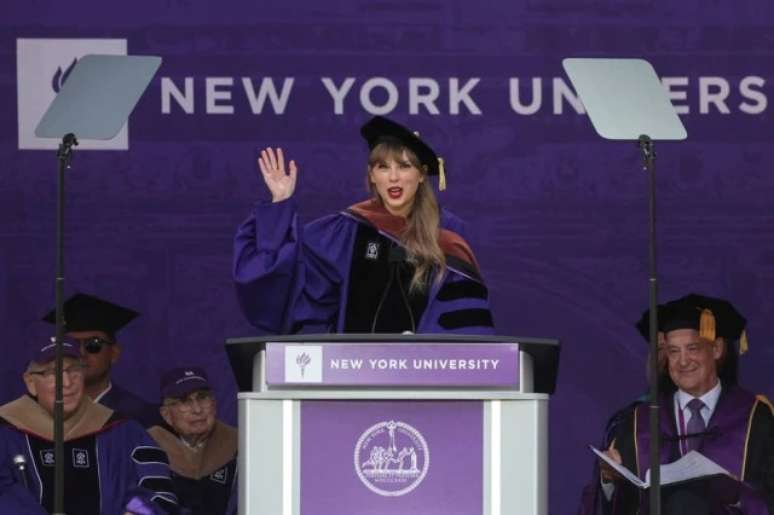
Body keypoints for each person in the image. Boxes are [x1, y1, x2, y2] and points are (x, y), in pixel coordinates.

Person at [233, 115, 495, 334]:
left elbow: (465, 326)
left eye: (404, 166)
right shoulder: (347, 230)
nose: (393, 177)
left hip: (425, 381)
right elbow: (284, 286)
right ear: (372, 175)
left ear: (421, 175)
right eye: (382, 167)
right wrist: (280, 203)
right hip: (354, 379)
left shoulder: (448, 234)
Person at [589, 294, 773, 514]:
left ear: (716, 349)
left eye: (693, 348)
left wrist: (738, 495)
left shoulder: (755, 418)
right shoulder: (639, 421)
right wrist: (609, 480)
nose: (682, 361)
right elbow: (617, 505)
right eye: (673, 351)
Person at [0, 339, 178, 514]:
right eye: (53, 373)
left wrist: (137, 511)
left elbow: (157, 494)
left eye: (75, 371)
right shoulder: (6, 430)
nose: (67, 383)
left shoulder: (125, 433)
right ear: (31, 382)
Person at [42, 292, 162, 427]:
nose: (81, 353)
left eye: (93, 344)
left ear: (114, 353)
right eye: (72, 345)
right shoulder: (38, 412)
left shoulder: (143, 417)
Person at [148, 367, 237, 515]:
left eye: (202, 397)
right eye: (184, 401)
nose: (197, 409)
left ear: (214, 405)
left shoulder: (240, 445)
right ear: (166, 414)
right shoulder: (149, 449)